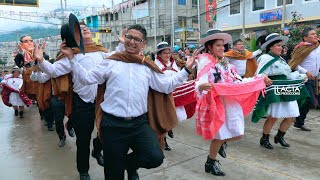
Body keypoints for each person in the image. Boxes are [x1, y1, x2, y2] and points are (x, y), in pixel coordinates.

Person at [67, 24, 196, 180]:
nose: (132, 42)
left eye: (137, 39)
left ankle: (129, 164)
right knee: (114, 175)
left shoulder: (147, 65)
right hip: (113, 125)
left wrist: (186, 70)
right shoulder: (111, 61)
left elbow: (166, 86)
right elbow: (86, 78)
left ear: (143, 44)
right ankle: (117, 164)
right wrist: (71, 59)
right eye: (129, 37)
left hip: (139, 124)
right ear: (124, 38)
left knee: (154, 157)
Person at [35, 21, 125, 180]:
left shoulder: (101, 52)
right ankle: (83, 170)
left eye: (86, 29)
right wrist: (41, 60)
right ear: (74, 35)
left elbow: (116, 57)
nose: (85, 31)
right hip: (82, 104)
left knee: (108, 134)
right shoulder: (71, 54)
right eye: (80, 30)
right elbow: (54, 71)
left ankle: (97, 150)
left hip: (103, 102)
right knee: (83, 140)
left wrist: (122, 45)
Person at [195, 29, 267, 176]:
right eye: (218, 45)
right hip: (216, 103)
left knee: (238, 132)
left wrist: (259, 79)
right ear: (210, 47)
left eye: (223, 45)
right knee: (219, 135)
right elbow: (199, 82)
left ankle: (221, 145)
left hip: (231, 102)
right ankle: (211, 162)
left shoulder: (226, 63)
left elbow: (238, 81)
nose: (222, 48)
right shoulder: (204, 61)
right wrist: (201, 86)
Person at [252, 33, 309, 150]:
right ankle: (264, 139)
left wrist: (301, 76)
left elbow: (287, 75)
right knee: (273, 117)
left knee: (291, 115)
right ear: (270, 47)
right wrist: (265, 78)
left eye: (281, 46)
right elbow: (259, 74)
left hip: (287, 90)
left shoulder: (281, 59)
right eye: (278, 45)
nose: (281, 48)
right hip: (275, 91)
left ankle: (279, 136)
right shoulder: (265, 58)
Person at [289, 27, 320, 131]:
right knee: (310, 101)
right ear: (305, 38)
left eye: (316, 33)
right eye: (312, 34)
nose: (315, 35)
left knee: (307, 101)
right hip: (303, 78)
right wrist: (306, 71)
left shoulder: (318, 46)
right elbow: (294, 64)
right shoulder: (300, 48)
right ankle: (292, 114)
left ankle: (298, 122)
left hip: (314, 79)